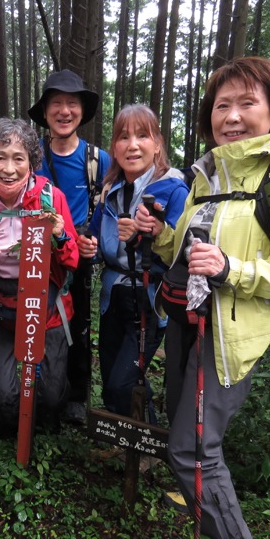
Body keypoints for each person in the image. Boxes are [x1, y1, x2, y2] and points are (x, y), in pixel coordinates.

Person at [135, 57, 270, 539]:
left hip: (231, 330)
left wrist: (230, 268)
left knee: (193, 447)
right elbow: (186, 247)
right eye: (223, 105)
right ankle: (190, 494)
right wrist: (160, 232)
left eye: (248, 103)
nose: (233, 116)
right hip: (186, 315)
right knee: (181, 417)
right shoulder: (211, 173)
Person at [0, 118, 79, 437]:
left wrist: (61, 234)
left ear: (31, 163)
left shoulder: (51, 200)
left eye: (18, 158)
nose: (8, 168)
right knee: (1, 392)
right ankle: (10, 421)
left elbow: (74, 258)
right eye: (0, 157)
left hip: (47, 307)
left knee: (51, 395)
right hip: (0, 307)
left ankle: (45, 417)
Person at [77, 104, 188, 422]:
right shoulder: (111, 191)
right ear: (115, 147)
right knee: (113, 381)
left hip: (149, 299)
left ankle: (149, 440)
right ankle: (129, 443)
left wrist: (150, 233)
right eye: (123, 137)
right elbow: (97, 242)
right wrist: (89, 247)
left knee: (124, 382)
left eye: (143, 135)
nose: (133, 144)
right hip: (113, 298)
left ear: (157, 144)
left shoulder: (173, 190)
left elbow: (182, 252)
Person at [28, 70, 112, 424]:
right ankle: (35, 392)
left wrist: (93, 241)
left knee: (77, 322)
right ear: (45, 111)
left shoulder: (98, 160)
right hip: (33, 249)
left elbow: (109, 207)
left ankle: (75, 396)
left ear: (81, 111)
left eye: (72, 104)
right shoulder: (31, 156)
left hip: (75, 252)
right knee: (34, 318)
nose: (64, 111)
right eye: (56, 103)